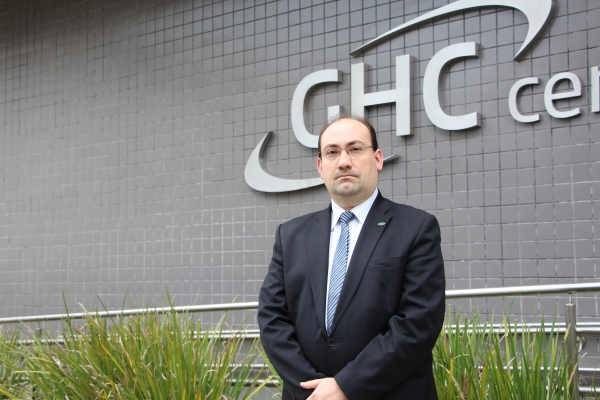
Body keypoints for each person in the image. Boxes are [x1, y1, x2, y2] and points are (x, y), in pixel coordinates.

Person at [258, 114, 446, 400]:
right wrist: (313, 390)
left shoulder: (417, 228)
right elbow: (273, 318)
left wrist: (346, 386)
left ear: (378, 159)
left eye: (355, 149)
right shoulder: (290, 235)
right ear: (321, 167)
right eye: (332, 152)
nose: (343, 161)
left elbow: (418, 322)